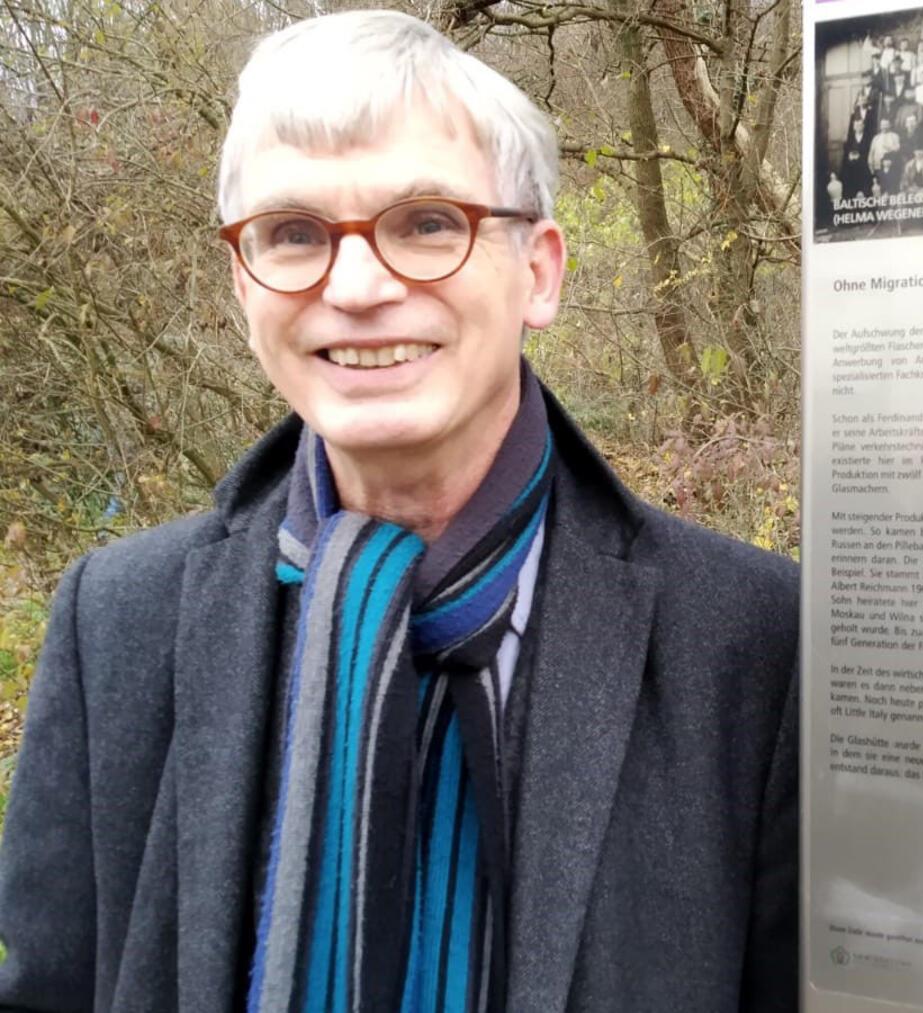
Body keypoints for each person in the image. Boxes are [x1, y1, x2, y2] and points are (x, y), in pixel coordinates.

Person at [0, 11, 800, 1011]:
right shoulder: (117, 622)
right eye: (293, 234)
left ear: (540, 271)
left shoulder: (754, 642)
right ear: (241, 283)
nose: (359, 284)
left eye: (427, 222)